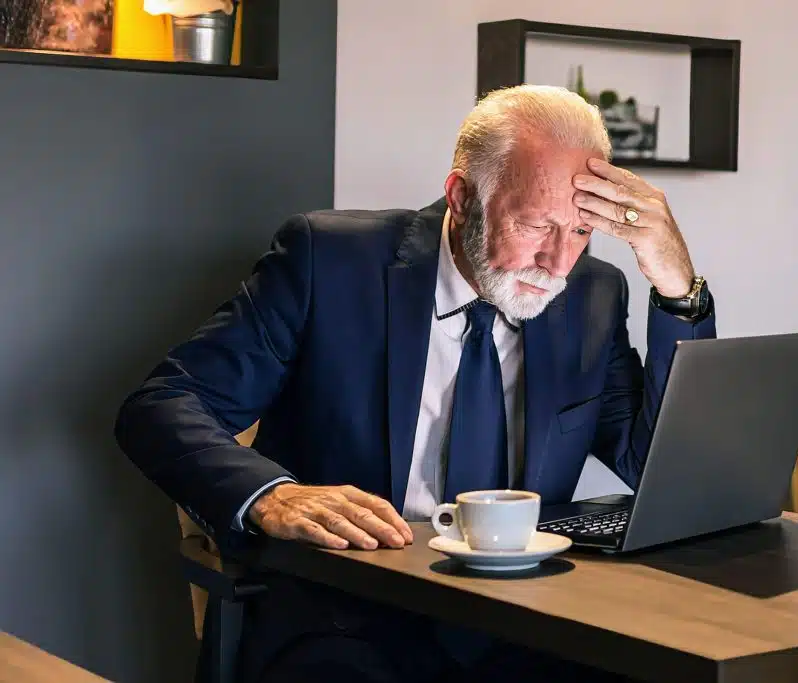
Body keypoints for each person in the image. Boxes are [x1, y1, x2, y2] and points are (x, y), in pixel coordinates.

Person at [114, 84, 716, 683]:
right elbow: (163, 403)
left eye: (582, 231)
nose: (558, 263)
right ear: (462, 195)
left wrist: (677, 287)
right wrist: (271, 495)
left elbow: (659, 468)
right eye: (536, 226)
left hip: (528, 624)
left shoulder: (591, 294)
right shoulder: (328, 262)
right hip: (347, 618)